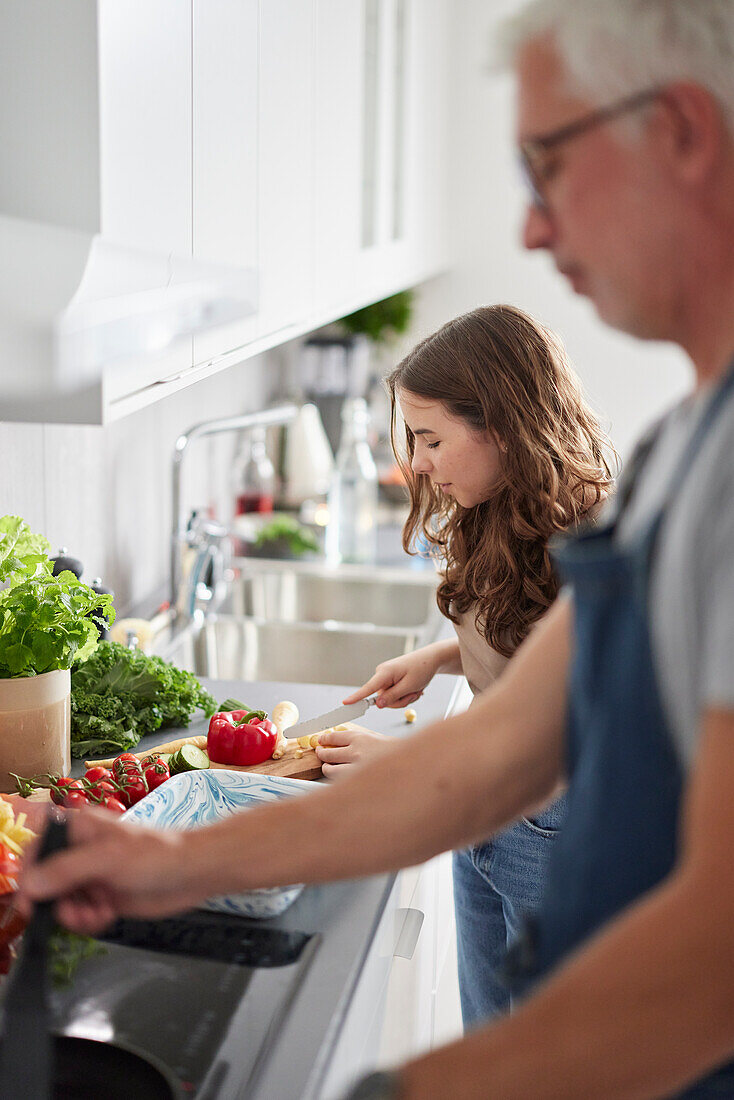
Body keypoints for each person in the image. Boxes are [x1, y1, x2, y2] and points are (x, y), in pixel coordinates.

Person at [20, 1, 734, 1095]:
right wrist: (162, 860)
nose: (532, 229)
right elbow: (497, 756)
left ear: (679, 129)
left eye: (544, 164)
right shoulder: (684, 452)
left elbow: (709, 955)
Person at [315, 303, 614, 1028]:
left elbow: (567, 718)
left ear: (502, 428)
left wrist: (400, 764)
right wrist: (443, 656)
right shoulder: (496, 506)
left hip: (549, 824)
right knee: (488, 1027)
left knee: (533, 1051)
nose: (415, 462)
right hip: (488, 813)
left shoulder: (586, 544)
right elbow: (529, 647)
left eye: (430, 439)